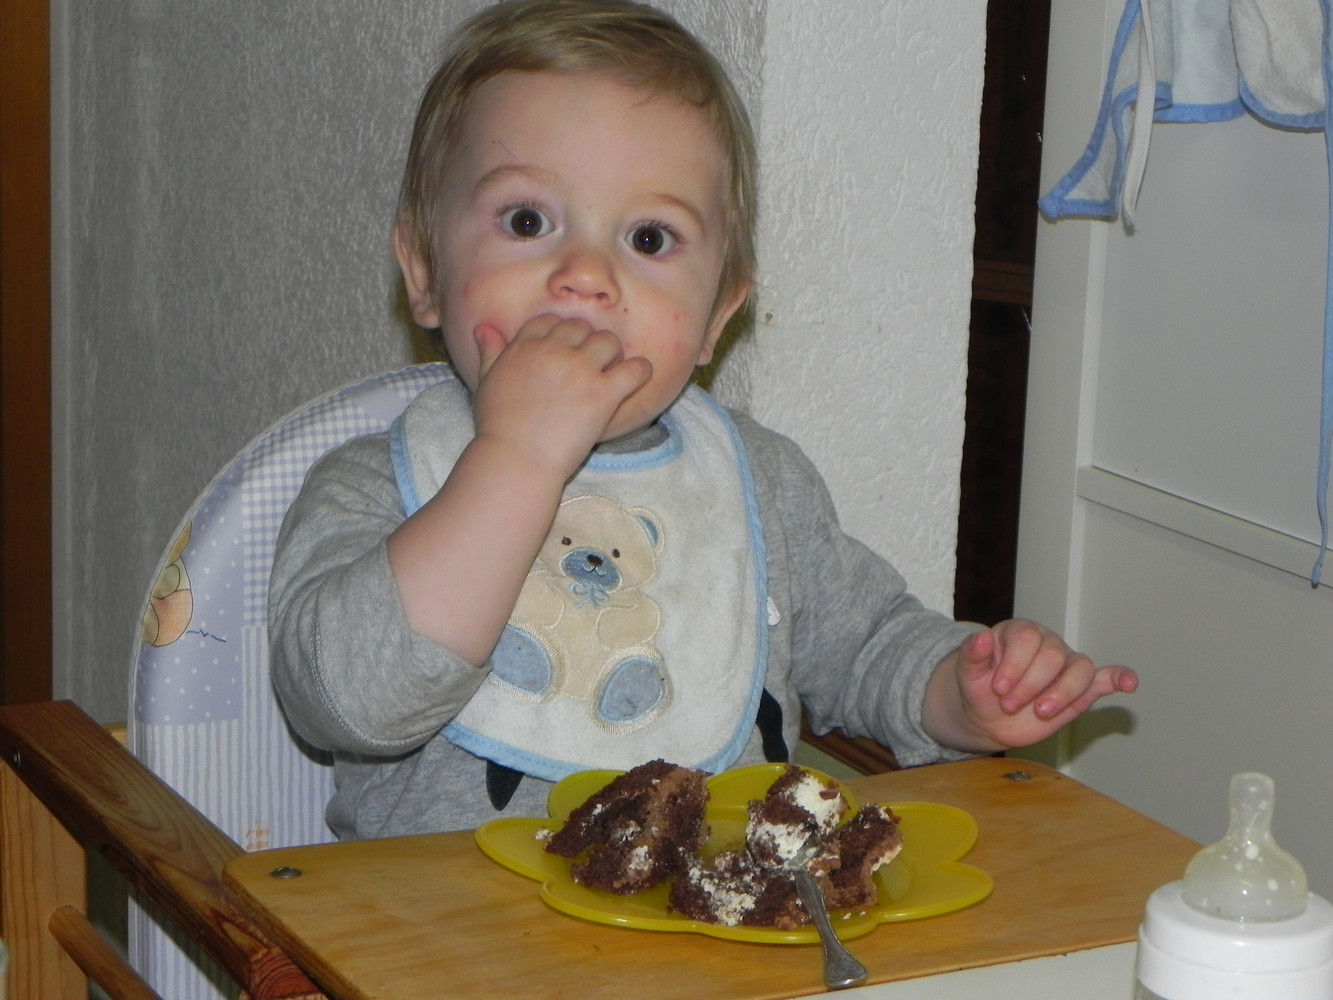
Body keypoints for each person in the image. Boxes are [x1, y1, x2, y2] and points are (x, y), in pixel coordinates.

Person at [269, 0, 1137, 840]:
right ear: (423, 271)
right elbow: (352, 703)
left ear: (718, 316)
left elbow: (868, 648)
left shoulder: (758, 484)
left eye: (648, 239)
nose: (586, 276)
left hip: (721, 916)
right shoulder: (376, 486)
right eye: (527, 221)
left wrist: (960, 692)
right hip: (443, 927)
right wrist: (516, 454)